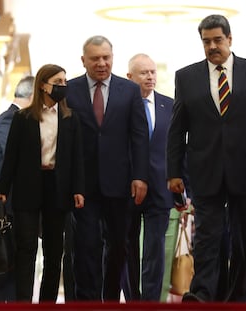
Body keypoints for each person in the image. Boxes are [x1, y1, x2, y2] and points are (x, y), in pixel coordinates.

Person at [166, 14, 246, 302]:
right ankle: (203, 294)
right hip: (204, 170)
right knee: (207, 237)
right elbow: (176, 129)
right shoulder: (186, 77)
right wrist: (174, 172)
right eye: (206, 41)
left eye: (217, 40)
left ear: (229, 39)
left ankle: (237, 296)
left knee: (243, 241)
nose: (212, 46)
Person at [66, 36, 149, 302]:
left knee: (118, 248)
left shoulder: (129, 90)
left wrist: (140, 176)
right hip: (83, 185)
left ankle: (111, 299)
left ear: (112, 57)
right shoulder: (70, 90)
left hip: (120, 182)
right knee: (86, 246)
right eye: (95, 59)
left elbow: (139, 136)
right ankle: (87, 300)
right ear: (83, 61)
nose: (102, 63)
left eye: (106, 57)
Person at [0, 64, 85, 302]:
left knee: (54, 253)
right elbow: (11, 157)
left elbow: (77, 158)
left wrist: (78, 189)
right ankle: (23, 302)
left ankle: (47, 304)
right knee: (26, 250)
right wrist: (2, 189)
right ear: (43, 85)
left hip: (58, 188)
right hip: (28, 186)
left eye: (65, 81)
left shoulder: (70, 118)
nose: (63, 86)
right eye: (58, 81)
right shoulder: (23, 118)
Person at [120, 53, 173, 301]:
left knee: (155, 249)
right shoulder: (119, 106)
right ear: (130, 77)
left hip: (161, 188)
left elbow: (178, 148)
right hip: (126, 188)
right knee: (126, 247)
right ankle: (132, 300)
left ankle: (150, 302)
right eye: (144, 73)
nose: (150, 77)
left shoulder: (170, 105)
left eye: (153, 72)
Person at [0, 75, 34, 302]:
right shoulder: (9, 119)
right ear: (33, 96)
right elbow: (19, 157)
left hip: (14, 204)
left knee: (11, 266)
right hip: (0, 206)